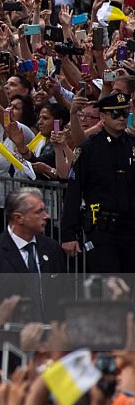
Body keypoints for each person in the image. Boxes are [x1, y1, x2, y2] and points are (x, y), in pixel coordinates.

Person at [61, 92, 135, 272]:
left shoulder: (132, 145)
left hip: (131, 228)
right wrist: (68, 233)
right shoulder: (88, 149)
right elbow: (74, 191)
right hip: (103, 230)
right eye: (115, 114)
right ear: (102, 117)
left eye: (124, 113)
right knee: (110, 287)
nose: (121, 118)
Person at [0, 188, 67, 320]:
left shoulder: (52, 249)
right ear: (19, 218)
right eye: (39, 212)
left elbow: (63, 297)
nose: (46, 216)